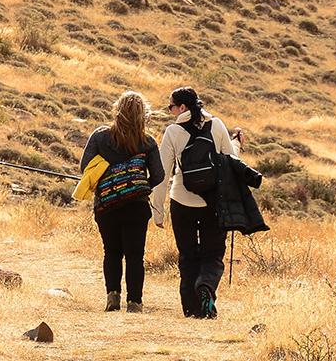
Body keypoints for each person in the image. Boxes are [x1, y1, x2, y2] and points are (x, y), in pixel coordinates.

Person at [152, 85, 241, 319]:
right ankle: (207, 286)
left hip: (181, 201)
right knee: (213, 254)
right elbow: (231, 162)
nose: (170, 111)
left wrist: (157, 211)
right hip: (213, 202)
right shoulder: (217, 125)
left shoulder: (172, 132)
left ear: (182, 107)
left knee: (188, 256)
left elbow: (162, 175)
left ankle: (192, 310)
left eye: (170, 106)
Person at [78, 91, 165, 313]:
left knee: (112, 251)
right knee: (135, 255)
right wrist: (138, 185)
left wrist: (109, 179)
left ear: (117, 110)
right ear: (143, 115)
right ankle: (134, 302)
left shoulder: (99, 136)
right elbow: (159, 175)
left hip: (106, 205)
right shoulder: (147, 142)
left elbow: (84, 167)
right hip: (136, 206)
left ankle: (113, 296)